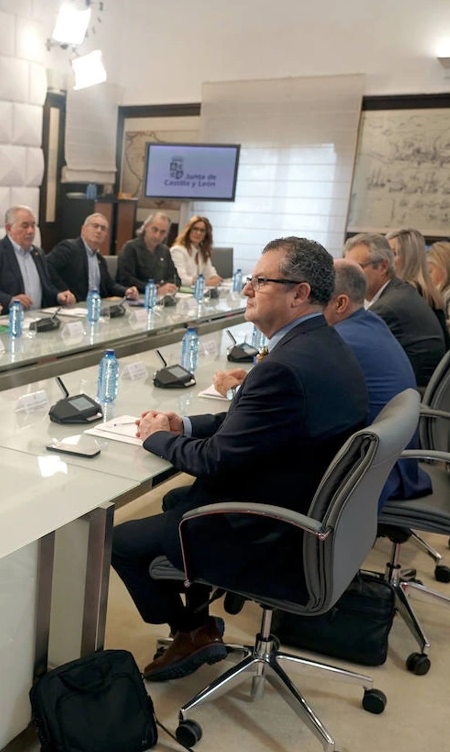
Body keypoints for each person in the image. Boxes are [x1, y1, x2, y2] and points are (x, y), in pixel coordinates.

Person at [111, 237, 368, 682]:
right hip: (300, 507)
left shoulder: (285, 367)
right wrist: (184, 427)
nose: (247, 290)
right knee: (176, 505)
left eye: (260, 281)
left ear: (299, 293)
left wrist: (155, 438)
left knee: (119, 541)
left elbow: (216, 461)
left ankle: (192, 629)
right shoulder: (322, 345)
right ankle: (195, 622)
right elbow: (248, 420)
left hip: (265, 529)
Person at [323, 259, 431, 503]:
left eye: (315, 299)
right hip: (393, 462)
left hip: (369, 476)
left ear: (340, 303)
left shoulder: (340, 341)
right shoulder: (370, 323)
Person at [343, 233, 445, 388]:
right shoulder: (398, 290)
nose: (350, 277)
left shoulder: (387, 308)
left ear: (383, 267)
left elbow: (347, 352)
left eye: (357, 268)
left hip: (410, 392)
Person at [0, 206, 75, 310]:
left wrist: (58, 296)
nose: (31, 231)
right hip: (8, 319)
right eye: (25, 226)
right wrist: (10, 300)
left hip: (37, 319)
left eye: (33, 226)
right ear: (8, 228)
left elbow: (46, 287)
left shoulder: (38, 253)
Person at [45, 213, 139, 301]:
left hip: (96, 308)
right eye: (95, 226)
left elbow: (109, 285)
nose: (99, 231)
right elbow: (47, 266)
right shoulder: (69, 248)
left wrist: (126, 291)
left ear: (106, 235)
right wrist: (63, 290)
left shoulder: (100, 259)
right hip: (73, 307)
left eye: (103, 228)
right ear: (83, 229)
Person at [386, 227, 449, 346]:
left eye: (393, 253)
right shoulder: (424, 289)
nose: (386, 260)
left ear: (409, 257)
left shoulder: (407, 294)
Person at [115, 212, 180, 295]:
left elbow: (175, 278)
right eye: (155, 230)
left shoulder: (164, 251)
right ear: (146, 227)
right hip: (135, 298)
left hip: (159, 299)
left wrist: (169, 287)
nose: (157, 236)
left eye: (162, 232)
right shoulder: (131, 248)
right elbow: (125, 279)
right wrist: (153, 289)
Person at [170, 215, 222, 288]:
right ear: (188, 231)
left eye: (202, 230)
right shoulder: (178, 251)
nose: (198, 233)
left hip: (197, 292)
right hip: (182, 293)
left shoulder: (202, 251)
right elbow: (182, 279)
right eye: (195, 229)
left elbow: (211, 274)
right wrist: (208, 282)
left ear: (206, 235)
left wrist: (214, 279)